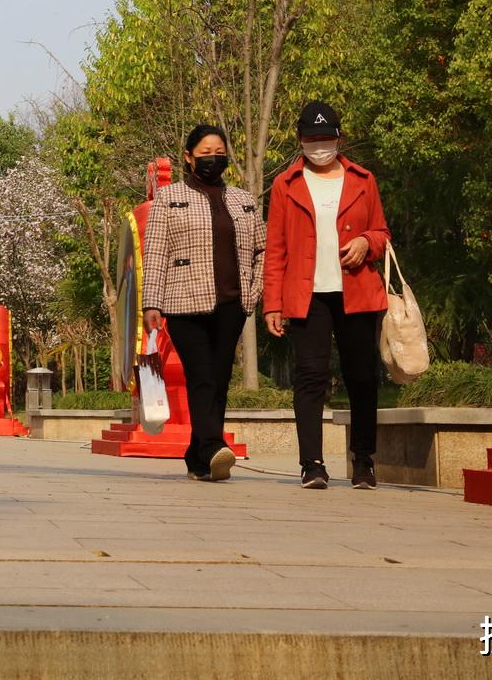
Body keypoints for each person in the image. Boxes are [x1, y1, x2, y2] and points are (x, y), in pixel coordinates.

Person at [263, 100, 391, 491]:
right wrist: (273, 303)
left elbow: (383, 234)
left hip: (356, 292)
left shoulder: (363, 179)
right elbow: (276, 248)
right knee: (310, 377)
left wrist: (365, 243)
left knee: (362, 378)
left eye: (326, 138)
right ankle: (312, 464)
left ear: (340, 138)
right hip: (307, 295)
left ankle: (364, 461)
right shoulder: (286, 185)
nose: (319, 145)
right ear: (300, 140)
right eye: (312, 138)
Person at [142, 124, 265, 482]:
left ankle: (197, 456)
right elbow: (155, 252)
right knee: (202, 376)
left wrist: (253, 295)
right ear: (189, 157)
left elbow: (262, 250)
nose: (213, 158)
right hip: (183, 302)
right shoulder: (169, 197)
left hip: (232, 302)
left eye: (219, 152)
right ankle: (213, 446)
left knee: (220, 377)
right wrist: (152, 302)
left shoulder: (244, 199)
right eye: (205, 153)